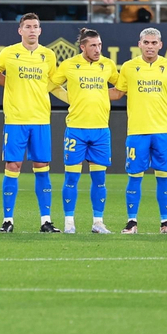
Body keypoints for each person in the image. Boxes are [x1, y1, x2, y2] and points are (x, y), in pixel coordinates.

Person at [0, 12, 60, 232]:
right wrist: (10, 84)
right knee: (12, 166)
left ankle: (46, 221)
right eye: (27, 26)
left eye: (35, 26)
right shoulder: (9, 53)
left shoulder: (48, 55)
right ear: (20, 30)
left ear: (40, 30)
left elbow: (53, 84)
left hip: (40, 119)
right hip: (16, 119)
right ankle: (8, 220)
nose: (32, 30)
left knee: (42, 167)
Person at [110, 26, 167, 235]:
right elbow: (118, 93)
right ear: (139, 44)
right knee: (135, 176)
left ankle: (166, 222)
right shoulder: (128, 67)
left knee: (163, 176)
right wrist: (88, 92)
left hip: (162, 131)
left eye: (154, 43)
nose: (150, 46)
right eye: (146, 42)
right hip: (137, 131)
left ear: (160, 45)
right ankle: (131, 222)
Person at [49, 28, 119, 235]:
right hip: (76, 130)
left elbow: (121, 87)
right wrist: (71, 98)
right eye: (93, 46)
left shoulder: (108, 65)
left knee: (100, 180)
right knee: (72, 178)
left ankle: (98, 222)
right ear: (82, 47)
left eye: (99, 45)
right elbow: (51, 85)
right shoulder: (69, 65)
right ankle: (69, 222)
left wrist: (101, 95)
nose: (98, 49)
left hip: (100, 130)